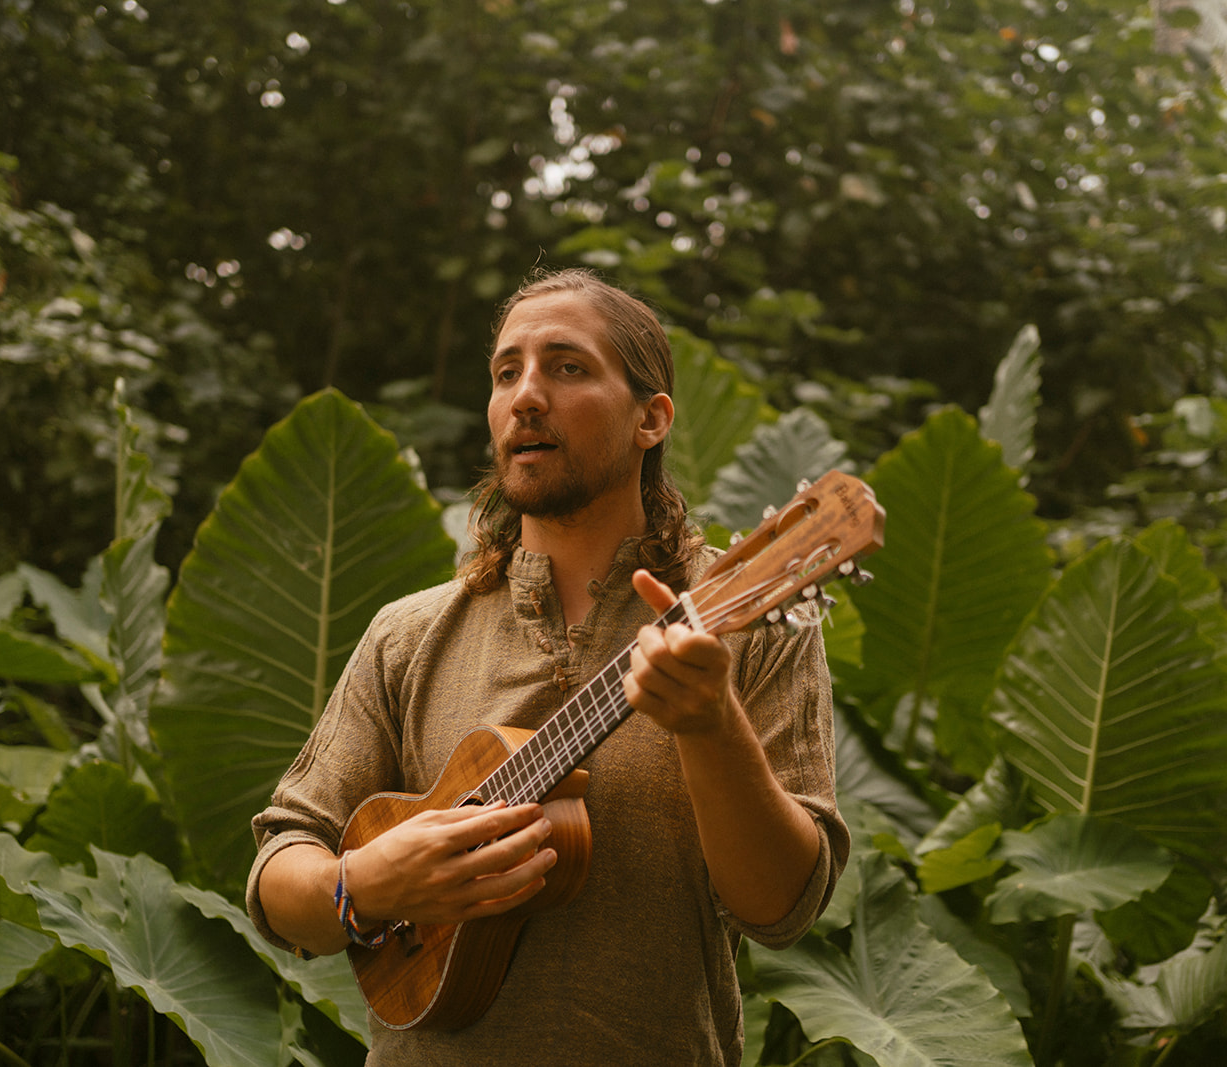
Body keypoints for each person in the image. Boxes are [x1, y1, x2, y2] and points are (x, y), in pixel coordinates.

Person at [246, 268, 848, 1065]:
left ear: (651, 418)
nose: (526, 395)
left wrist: (709, 721)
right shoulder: (409, 633)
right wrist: (367, 884)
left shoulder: (746, 623)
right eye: (506, 372)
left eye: (567, 367)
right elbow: (279, 870)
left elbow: (782, 907)